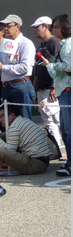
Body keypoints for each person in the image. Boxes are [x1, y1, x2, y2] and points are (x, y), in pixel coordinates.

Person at [0, 14, 36, 120]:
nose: (5, 29)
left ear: (18, 26)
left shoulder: (26, 44)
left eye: (9, 26)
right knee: (10, 122)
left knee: (24, 121)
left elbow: (24, 68)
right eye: (4, 26)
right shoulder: (6, 43)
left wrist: (2, 67)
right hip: (6, 87)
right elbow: (3, 69)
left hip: (21, 86)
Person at [41, 13, 71, 176]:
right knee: (66, 129)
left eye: (57, 26)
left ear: (65, 27)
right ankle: (69, 163)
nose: (54, 29)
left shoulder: (67, 44)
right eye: (53, 26)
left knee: (68, 130)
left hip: (67, 90)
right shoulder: (64, 43)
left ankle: (71, 164)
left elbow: (69, 67)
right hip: (65, 90)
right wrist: (51, 59)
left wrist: (49, 64)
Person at [0, 105, 51, 175]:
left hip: (35, 164)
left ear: (12, 115)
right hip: (42, 161)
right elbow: (11, 139)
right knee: (2, 149)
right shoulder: (21, 121)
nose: (0, 119)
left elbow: (9, 150)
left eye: (2, 116)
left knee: (0, 151)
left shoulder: (14, 127)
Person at [31, 16, 63, 153]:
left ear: (46, 27)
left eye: (37, 27)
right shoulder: (41, 46)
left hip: (50, 90)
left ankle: (64, 150)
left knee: (56, 119)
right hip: (41, 89)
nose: (34, 30)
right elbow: (38, 69)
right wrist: (35, 86)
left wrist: (53, 87)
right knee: (47, 120)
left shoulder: (54, 42)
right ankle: (59, 150)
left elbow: (56, 65)